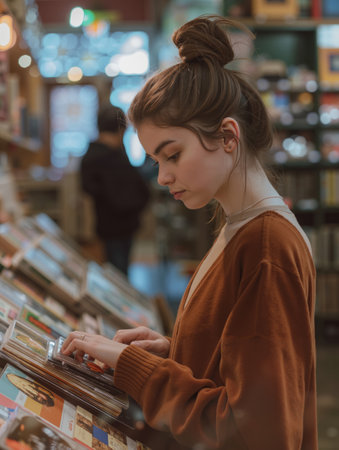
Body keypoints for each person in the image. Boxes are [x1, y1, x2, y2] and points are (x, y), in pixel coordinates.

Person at [62, 15, 317, 450]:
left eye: (172, 155)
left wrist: (134, 367)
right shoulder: (240, 223)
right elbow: (239, 368)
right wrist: (176, 350)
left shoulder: (265, 243)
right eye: (157, 161)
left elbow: (258, 431)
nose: (162, 177)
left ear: (227, 137)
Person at [80, 104, 150, 275]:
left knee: (118, 269)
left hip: (109, 224)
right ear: (121, 129)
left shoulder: (92, 154)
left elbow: (88, 187)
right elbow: (134, 188)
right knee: (119, 271)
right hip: (118, 224)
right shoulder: (114, 156)